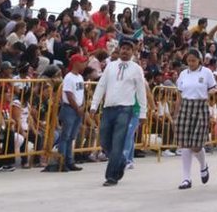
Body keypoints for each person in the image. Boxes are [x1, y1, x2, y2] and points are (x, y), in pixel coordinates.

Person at [90, 36, 148, 187]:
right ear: (119, 49)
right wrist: (94, 105)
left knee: (118, 142)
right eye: (123, 48)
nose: (125, 51)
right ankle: (121, 161)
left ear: (133, 52)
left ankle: (111, 176)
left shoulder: (136, 69)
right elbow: (101, 85)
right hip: (109, 108)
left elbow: (141, 91)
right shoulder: (111, 66)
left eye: (129, 49)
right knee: (104, 139)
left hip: (125, 109)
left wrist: (143, 112)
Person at [172, 48, 215, 189]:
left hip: (200, 106)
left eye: (193, 60)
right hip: (185, 106)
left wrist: (212, 92)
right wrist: (176, 114)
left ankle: (203, 166)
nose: (191, 63)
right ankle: (186, 178)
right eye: (189, 60)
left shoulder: (207, 73)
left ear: (199, 60)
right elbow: (179, 95)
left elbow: (212, 89)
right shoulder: (183, 74)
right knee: (184, 143)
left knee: (196, 145)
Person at [56, 53, 87, 172]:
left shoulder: (80, 77)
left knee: (71, 136)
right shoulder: (69, 77)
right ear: (76, 63)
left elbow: (82, 93)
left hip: (77, 108)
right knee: (66, 136)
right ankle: (62, 161)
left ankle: (69, 160)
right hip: (70, 108)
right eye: (82, 62)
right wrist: (77, 107)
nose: (84, 64)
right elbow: (69, 94)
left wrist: (83, 105)